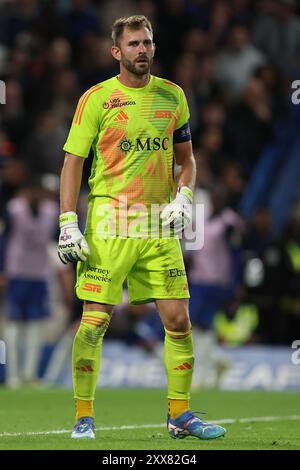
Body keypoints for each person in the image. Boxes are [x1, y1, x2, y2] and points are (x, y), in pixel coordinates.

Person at [58, 15, 226, 441]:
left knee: (179, 321)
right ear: (117, 51)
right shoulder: (96, 99)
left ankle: (180, 415)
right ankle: (83, 416)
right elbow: (73, 162)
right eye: (133, 44)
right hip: (109, 223)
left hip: (157, 225)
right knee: (94, 322)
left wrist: (185, 197)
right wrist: (67, 222)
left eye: (147, 43)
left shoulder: (173, 96)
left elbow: (187, 160)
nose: (142, 50)